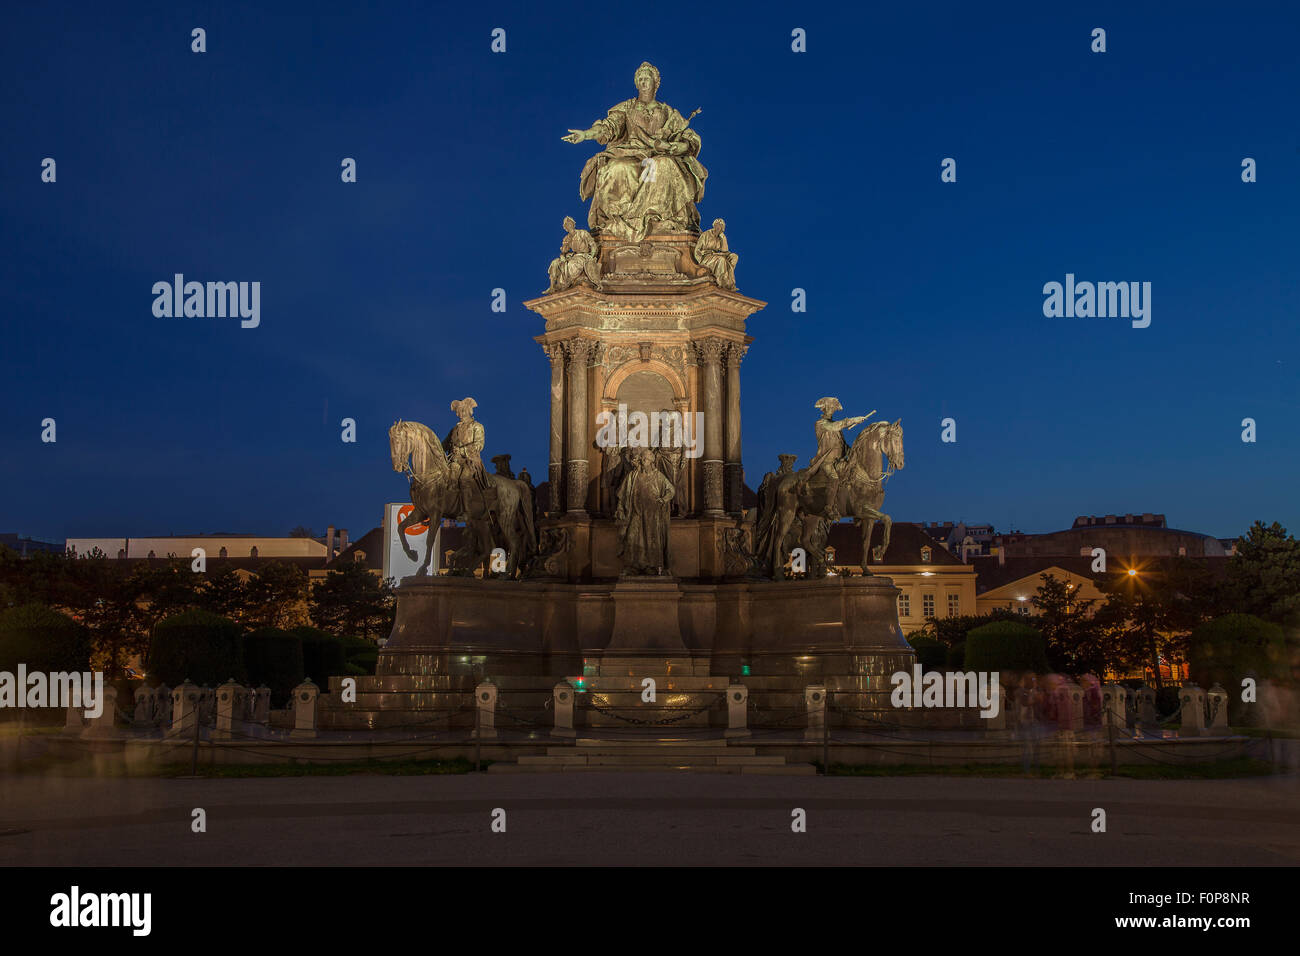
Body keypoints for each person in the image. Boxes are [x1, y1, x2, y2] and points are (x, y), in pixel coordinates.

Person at [562, 62, 707, 243]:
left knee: (662, 165)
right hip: (630, 153)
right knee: (616, 169)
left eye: (647, 78)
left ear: (656, 83)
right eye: (640, 79)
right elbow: (608, 127)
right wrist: (585, 135)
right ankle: (622, 221)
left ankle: (656, 219)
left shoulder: (668, 112)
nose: (643, 82)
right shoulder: (627, 108)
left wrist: (681, 146)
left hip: (657, 156)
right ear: (636, 83)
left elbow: (687, 136)